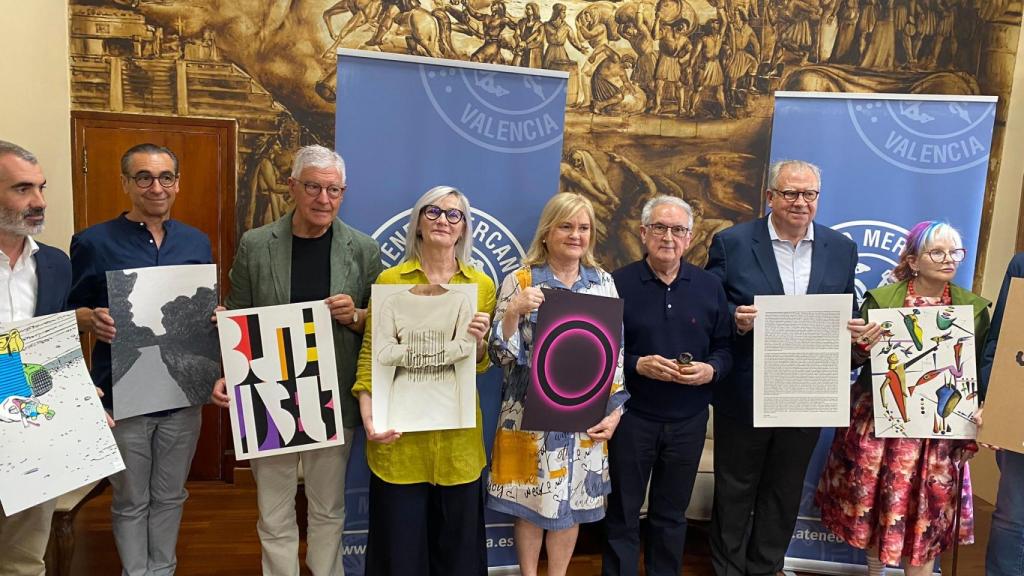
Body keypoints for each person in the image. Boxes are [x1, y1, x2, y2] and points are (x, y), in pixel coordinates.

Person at [211, 145, 382, 576]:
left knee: (328, 508)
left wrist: (358, 316)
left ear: (343, 193)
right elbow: (238, 314)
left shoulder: (362, 248)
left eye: (333, 190)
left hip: (332, 397)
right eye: (313, 187)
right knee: (274, 511)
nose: (323, 199)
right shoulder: (256, 245)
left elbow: (382, 325)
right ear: (292, 188)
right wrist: (227, 370)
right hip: (268, 395)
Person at [705, 159, 865, 576]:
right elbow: (708, 308)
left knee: (784, 490)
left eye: (809, 194)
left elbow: (845, 310)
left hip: (807, 390)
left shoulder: (841, 249)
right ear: (771, 196)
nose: (800, 202)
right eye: (791, 193)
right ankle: (727, 570)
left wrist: (852, 331)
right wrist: (734, 318)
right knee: (735, 488)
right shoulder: (732, 243)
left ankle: (766, 567)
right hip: (745, 390)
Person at [70, 143, 213, 576]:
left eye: (166, 177)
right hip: (122, 391)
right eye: (144, 177)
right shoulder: (93, 242)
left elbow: (200, 310)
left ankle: (162, 569)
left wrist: (212, 315)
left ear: (177, 183)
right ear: (126, 184)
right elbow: (68, 314)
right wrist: (91, 318)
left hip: (180, 395)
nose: (157, 187)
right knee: (132, 498)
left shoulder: (195, 241)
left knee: (171, 495)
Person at [817, 221, 988, 575]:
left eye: (955, 252)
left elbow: (979, 371)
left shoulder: (973, 310)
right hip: (882, 427)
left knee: (928, 514)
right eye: (937, 252)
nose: (948, 260)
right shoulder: (881, 302)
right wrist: (862, 347)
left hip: (937, 434)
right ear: (912, 260)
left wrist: (982, 406)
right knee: (880, 507)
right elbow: (854, 361)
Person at [352, 185, 496, 575]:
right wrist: (369, 417)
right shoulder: (389, 280)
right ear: (417, 223)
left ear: (464, 228)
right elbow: (371, 356)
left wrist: (479, 343)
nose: (442, 221)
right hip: (400, 442)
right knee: (399, 557)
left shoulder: (481, 287)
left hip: (457, 446)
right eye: (432, 212)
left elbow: (480, 365)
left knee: (459, 557)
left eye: (453, 215)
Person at [487, 192, 628, 576]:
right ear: (547, 232)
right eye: (566, 226)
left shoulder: (603, 282)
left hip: (585, 420)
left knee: (569, 509)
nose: (576, 235)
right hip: (527, 419)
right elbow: (499, 354)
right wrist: (515, 310)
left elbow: (615, 356)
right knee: (531, 506)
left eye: (583, 228)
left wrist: (614, 414)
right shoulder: (520, 280)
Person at [603, 196, 733, 576]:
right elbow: (599, 353)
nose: (668, 237)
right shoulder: (616, 284)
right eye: (660, 227)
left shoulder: (709, 287)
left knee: (671, 516)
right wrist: (636, 364)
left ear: (690, 238)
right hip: (631, 418)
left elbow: (725, 348)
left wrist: (711, 370)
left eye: (678, 230)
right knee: (623, 513)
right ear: (643, 233)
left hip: (689, 420)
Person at [0, 141, 72, 576]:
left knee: (24, 557)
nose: (39, 202)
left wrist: (83, 396)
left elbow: (52, 348)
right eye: (23, 189)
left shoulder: (56, 265)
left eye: (41, 188)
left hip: (30, 426)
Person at [978, 252, 1023, 576]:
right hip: (1019, 417)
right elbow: (1002, 341)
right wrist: (994, 408)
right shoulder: (1022, 265)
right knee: (1013, 516)